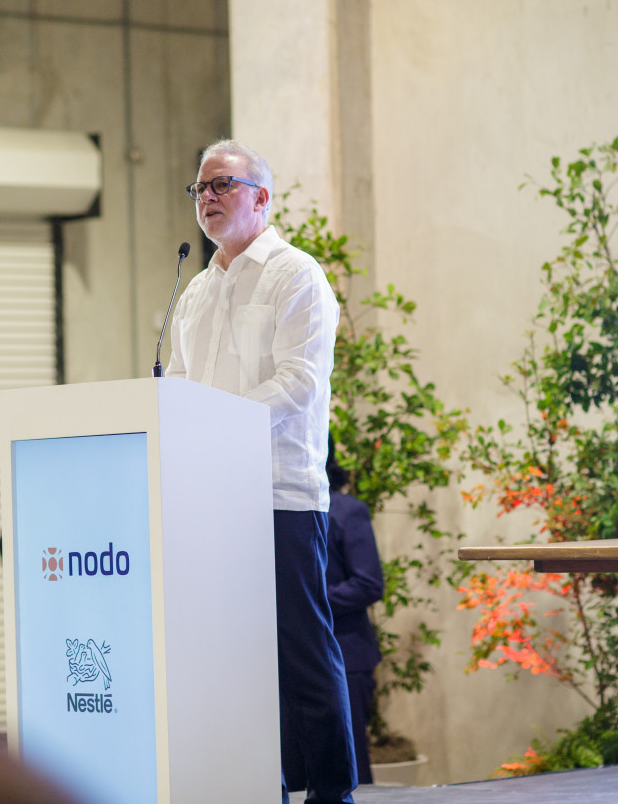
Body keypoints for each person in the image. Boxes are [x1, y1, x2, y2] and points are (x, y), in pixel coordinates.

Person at [165, 139, 356, 804]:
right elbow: (179, 385)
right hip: (210, 501)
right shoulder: (196, 290)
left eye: (222, 184)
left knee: (302, 653)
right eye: (200, 188)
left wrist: (219, 430)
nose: (208, 198)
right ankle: (254, 785)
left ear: (262, 198)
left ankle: (332, 792)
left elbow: (300, 382)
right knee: (229, 655)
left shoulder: (295, 274)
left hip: (280, 494)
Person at [325, 438, 383, 785]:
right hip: (295, 656)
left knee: (351, 768)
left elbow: (368, 583)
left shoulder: (347, 510)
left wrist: (309, 602)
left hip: (347, 655)